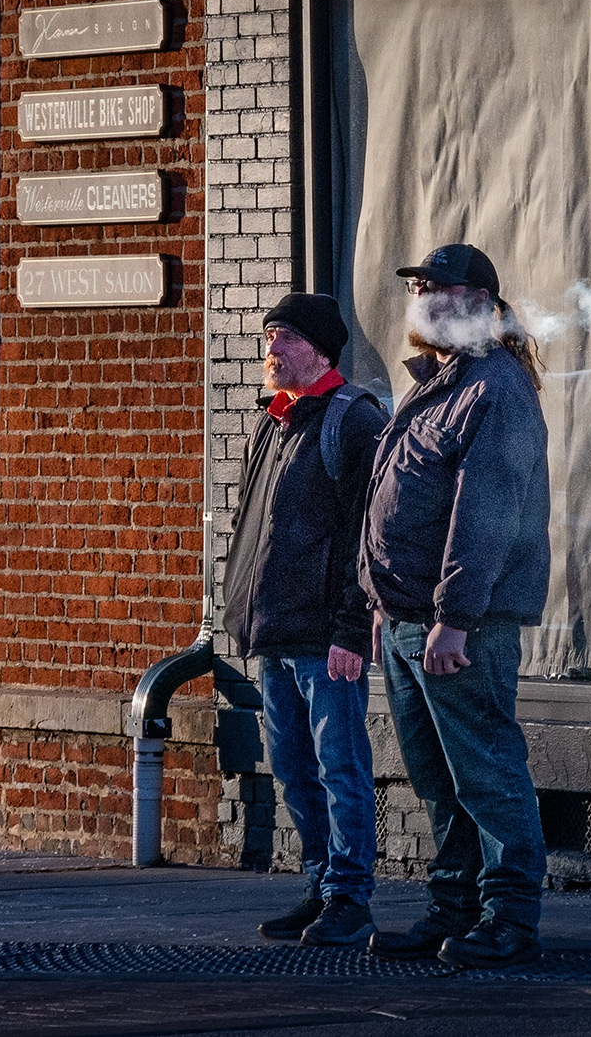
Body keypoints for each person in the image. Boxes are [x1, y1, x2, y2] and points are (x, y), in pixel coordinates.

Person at [357, 243, 552, 969]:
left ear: (478, 301)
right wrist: (382, 604)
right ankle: (453, 910)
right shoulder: (435, 381)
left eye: (436, 286)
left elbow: (486, 514)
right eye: (417, 286)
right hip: (409, 621)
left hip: (460, 624)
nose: (421, 296)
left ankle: (509, 920)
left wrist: (455, 617)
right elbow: (392, 496)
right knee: (440, 780)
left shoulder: (494, 386)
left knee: (487, 772)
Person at [223, 292, 388, 947]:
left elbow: (366, 534)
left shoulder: (353, 420)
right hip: (275, 630)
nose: (270, 349)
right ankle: (320, 884)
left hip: (325, 637)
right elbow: (252, 528)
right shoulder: (275, 420)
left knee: (339, 766)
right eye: (268, 336)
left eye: (283, 338)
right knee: (291, 764)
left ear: (319, 350)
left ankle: (350, 898)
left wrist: (353, 627)